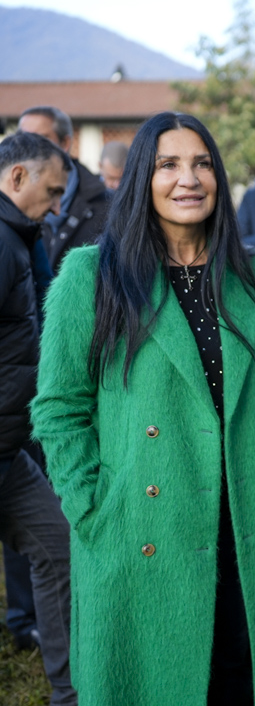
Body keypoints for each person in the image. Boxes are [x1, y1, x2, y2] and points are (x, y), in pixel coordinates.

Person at [30, 112, 255, 705]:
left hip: (253, 522)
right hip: (145, 528)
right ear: (142, 177)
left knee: (248, 681)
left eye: (202, 163)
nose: (188, 178)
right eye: (168, 164)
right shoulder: (91, 276)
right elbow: (60, 408)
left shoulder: (250, 272)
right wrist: (92, 507)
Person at [0, 131, 76, 706]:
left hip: (10, 451)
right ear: (17, 177)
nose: (57, 206)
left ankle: (71, 693)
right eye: (51, 192)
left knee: (58, 548)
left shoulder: (20, 238)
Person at [18, 105, 110, 271]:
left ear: (65, 143)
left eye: (41, 140)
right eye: (24, 140)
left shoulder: (108, 205)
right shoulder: (9, 204)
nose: (29, 149)